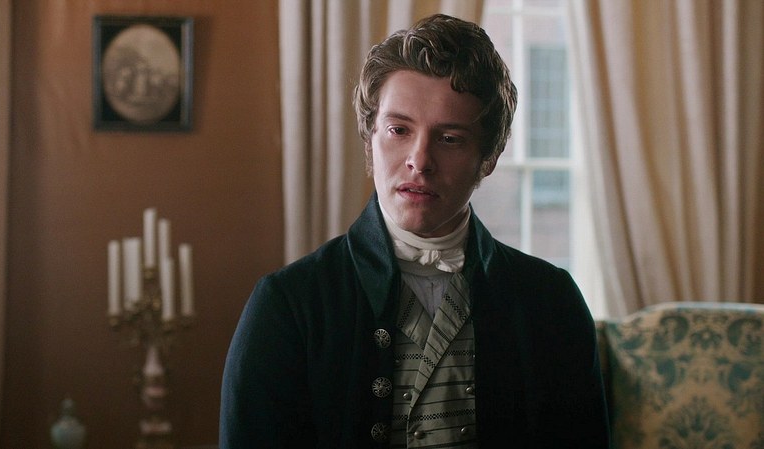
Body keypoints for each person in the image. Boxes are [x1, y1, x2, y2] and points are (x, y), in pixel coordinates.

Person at [220, 14, 609, 448]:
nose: (419, 161)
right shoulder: (289, 305)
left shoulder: (551, 301)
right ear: (370, 140)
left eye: (450, 138)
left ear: (489, 158)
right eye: (399, 130)